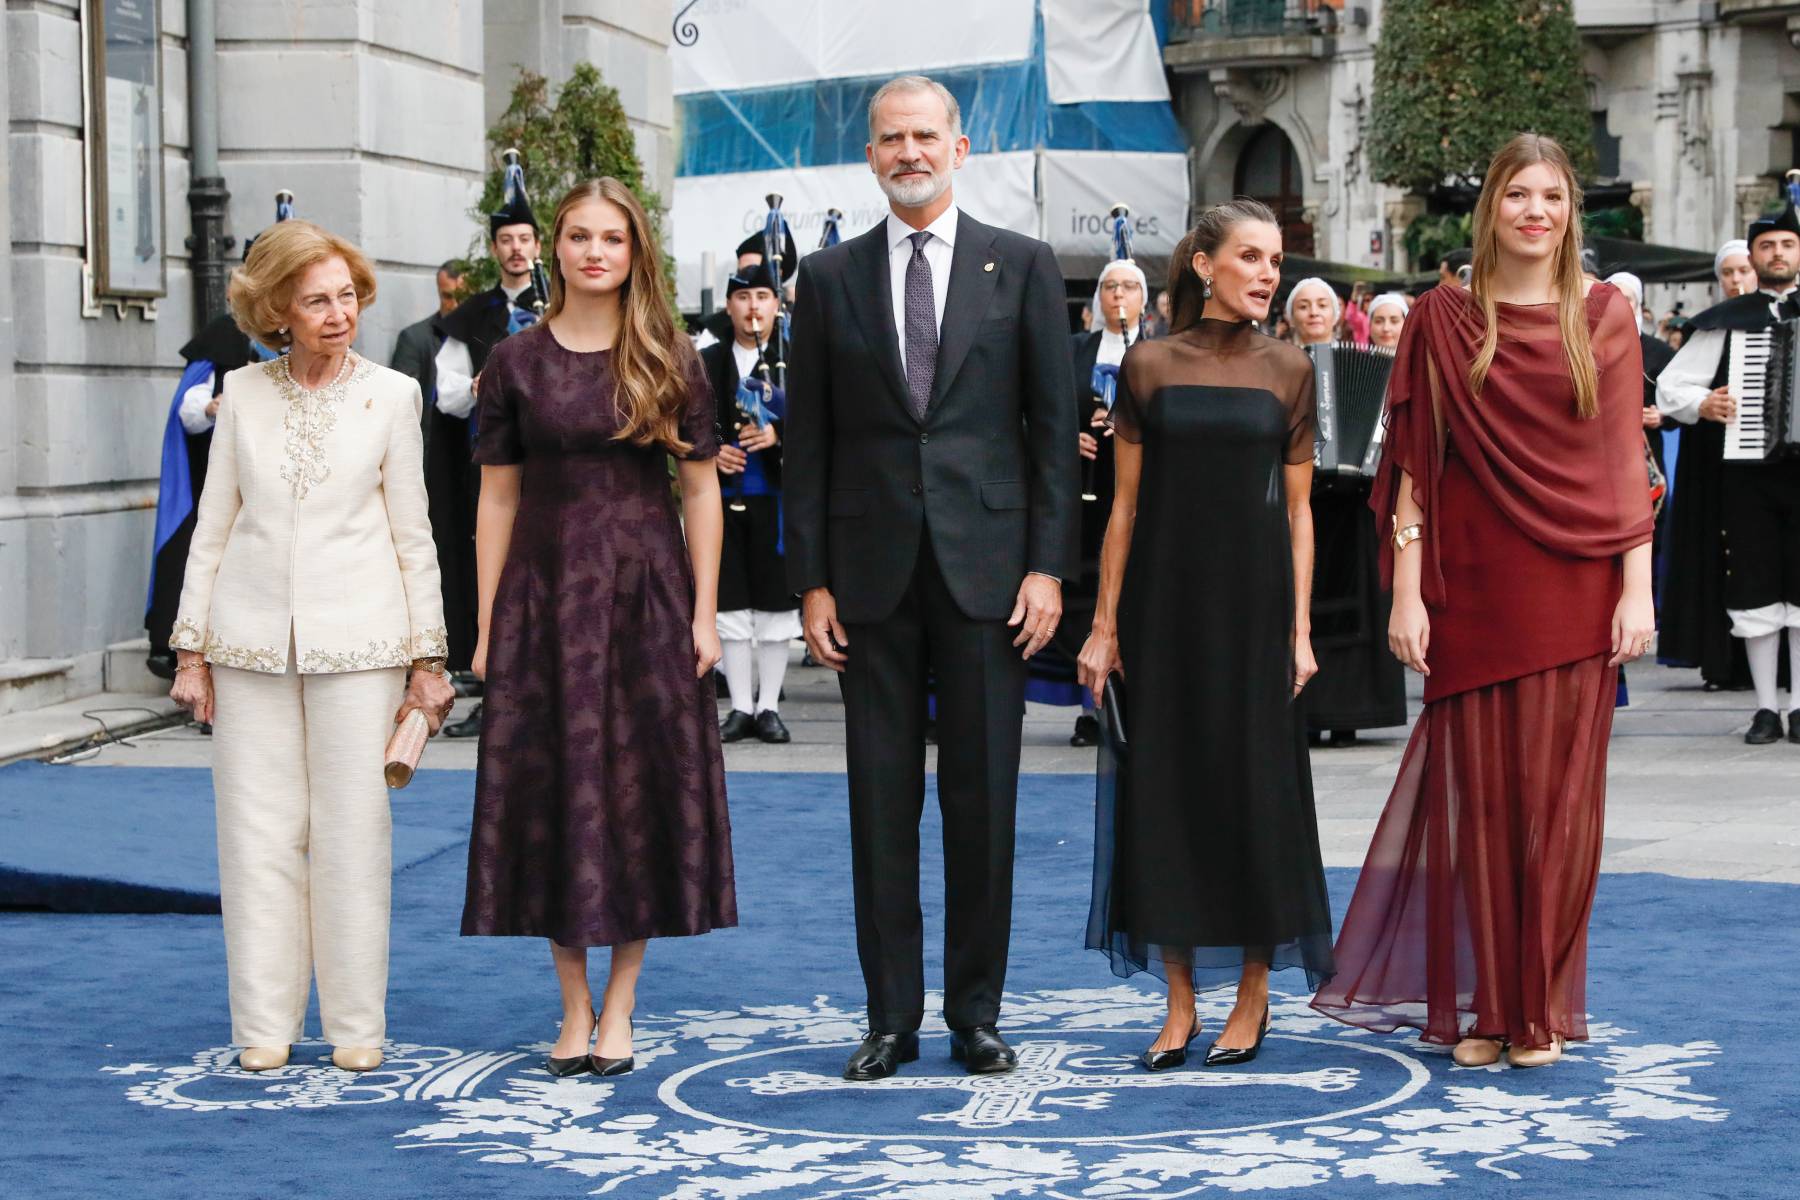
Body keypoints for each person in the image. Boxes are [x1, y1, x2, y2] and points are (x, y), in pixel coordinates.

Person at [1312, 134, 1655, 1069]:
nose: (1535, 211)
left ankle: (1535, 1010)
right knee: (1481, 808)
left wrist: (1637, 589)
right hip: (1470, 585)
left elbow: (1625, 461)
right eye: (1518, 195)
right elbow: (1417, 469)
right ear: (1491, 209)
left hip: (1577, 583)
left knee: (1558, 806)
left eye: (1552, 195)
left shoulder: (1607, 315)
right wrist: (1408, 596)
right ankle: (1486, 1013)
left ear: (1571, 211)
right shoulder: (1440, 316)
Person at [784, 74, 1078, 1083]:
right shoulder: (825, 281)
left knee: (982, 802)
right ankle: (891, 1018)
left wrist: (1048, 566)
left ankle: (976, 1014)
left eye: (925, 135)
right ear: (870, 156)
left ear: (961, 146)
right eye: (889, 138)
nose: (908, 151)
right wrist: (810, 581)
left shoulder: (1025, 267)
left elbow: (1053, 439)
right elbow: (809, 444)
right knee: (879, 805)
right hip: (866, 582)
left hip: (992, 578)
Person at [461, 178, 736, 1078]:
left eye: (611, 239)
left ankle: (620, 1008)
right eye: (578, 236)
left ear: (633, 253)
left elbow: (702, 490)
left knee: (635, 797)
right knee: (553, 796)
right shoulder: (516, 364)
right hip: (543, 603)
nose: (593, 252)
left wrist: (703, 613)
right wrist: (487, 620)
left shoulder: (670, 359)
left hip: (644, 600)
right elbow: (495, 500)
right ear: (554, 248)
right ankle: (572, 1009)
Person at [166, 220, 455, 1074]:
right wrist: (190, 651)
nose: (338, 314)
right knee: (254, 838)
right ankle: (263, 1025)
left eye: (347, 297)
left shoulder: (394, 395)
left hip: (363, 646)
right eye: (315, 299)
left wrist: (427, 660)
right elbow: (212, 527)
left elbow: (415, 536)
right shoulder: (242, 394)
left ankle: (356, 1027)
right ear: (276, 309)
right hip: (245, 644)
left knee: (353, 835)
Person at [1078, 202, 1335, 1071]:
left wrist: (1299, 627)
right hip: (1164, 608)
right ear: (1203, 264)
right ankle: (1180, 1004)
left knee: (1254, 793)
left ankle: (1254, 998)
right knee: (1167, 794)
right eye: (1250, 257)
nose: (1267, 273)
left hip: (1257, 609)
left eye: (1275, 259)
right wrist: (1105, 625)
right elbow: (1124, 509)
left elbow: (1300, 517)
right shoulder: (1147, 366)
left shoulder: (1291, 369)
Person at [1657, 200, 1800, 742]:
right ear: (1753, 255)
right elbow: (1671, 387)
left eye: (1787, 244)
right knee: (1756, 584)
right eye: (1767, 246)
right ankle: (1766, 707)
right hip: (1747, 474)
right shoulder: (1727, 322)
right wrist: (1704, 405)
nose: (1777, 253)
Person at [147, 196, 291, 681]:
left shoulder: (313, 331)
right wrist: (216, 405)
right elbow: (188, 408)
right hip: (227, 477)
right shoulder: (223, 335)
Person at [436, 174, 549, 735]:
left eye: (525, 238)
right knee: (494, 569)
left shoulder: (562, 305)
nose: (516, 248)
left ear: (537, 244)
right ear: (496, 247)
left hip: (552, 469)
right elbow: (446, 396)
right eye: (507, 239)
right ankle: (494, 685)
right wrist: (485, 385)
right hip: (490, 469)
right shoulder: (471, 316)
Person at [1287, 277, 1408, 745]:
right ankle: (1306, 708)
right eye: (1304, 305)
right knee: (1304, 604)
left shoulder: (1362, 360)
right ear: (1292, 314)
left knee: (1361, 604)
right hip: (1305, 503)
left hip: (1358, 505)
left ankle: (1351, 709)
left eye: (1322, 304)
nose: (1314, 312)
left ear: (1337, 313)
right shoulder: (1280, 360)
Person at [703, 259, 799, 744]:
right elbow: (685, 425)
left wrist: (778, 433)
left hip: (777, 502)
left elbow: (826, 421)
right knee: (732, 601)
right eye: (743, 298)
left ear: (776, 305)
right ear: (729, 306)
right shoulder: (709, 360)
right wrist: (710, 451)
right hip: (721, 500)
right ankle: (740, 706)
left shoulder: (793, 358)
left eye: (762, 297)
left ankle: (768, 705)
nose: (753, 307)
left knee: (776, 604)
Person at [1057, 256, 1148, 747]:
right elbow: (1045, 408)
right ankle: (1088, 705)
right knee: (1082, 595)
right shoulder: (1075, 350)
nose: (1119, 296)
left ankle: (1130, 693)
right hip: (1083, 493)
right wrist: (1068, 438)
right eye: (1110, 287)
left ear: (1143, 300)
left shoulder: (1156, 352)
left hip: (1135, 494)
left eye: (1129, 287)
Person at [1285, 278, 1339, 346]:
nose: (1314, 313)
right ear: (1291, 318)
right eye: (1303, 306)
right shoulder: (1280, 356)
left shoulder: (1349, 355)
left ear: (1335, 315)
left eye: (1322, 305)